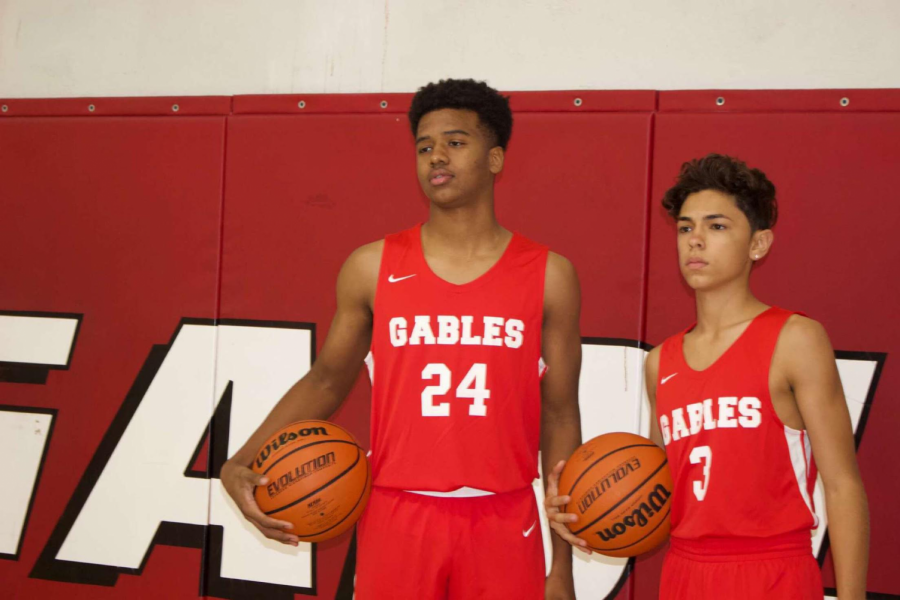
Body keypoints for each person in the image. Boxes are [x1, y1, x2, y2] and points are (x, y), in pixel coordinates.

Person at [221, 78, 583, 599]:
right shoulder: (371, 267)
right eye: (424, 146)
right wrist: (243, 460)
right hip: (396, 513)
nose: (437, 155)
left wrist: (561, 566)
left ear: (496, 159)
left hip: (505, 515)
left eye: (456, 142)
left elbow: (559, 414)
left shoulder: (549, 275)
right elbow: (326, 379)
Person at [545, 154, 868, 599]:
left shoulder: (795, 339)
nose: (695, 240)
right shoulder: (661, 361)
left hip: (772, 572)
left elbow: (842, 484)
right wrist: (584, 509)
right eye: (685, 227)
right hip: (684, 574)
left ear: (759, 244)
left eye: (716, 227)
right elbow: (658, 499)